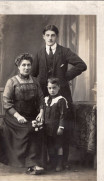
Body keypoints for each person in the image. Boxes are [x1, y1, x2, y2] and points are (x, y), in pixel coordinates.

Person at [31, 24, 87, 168]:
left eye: (53, 35)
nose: (50, 38)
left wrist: (64, 77)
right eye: (47, 35)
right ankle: (50, 160)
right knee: (47, 128)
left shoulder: (64, 51)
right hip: (45, 96)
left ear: (57, 37)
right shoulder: (39, 53)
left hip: (62, 95)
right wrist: (39, 90)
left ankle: (63, 161)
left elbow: (82, 65)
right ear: (43, 37)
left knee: (63, 128)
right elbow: (33, 74)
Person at [0, 53, 45, 175]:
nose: (26, 67)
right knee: (29, 129)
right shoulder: (11, 82)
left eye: (29, 65)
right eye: (23, 65)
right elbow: (6, 103)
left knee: (38, 128)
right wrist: (18, 116)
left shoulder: (35, 81)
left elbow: (41, 99)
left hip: (32, 115)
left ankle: (36, 163)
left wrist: (42, 112)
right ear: (18, 66)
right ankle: (31, 164)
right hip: (14, 116)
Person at [44, 78, 68, 172]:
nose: (52, 90)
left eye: (54, 88)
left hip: (57, 127)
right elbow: (43, 112)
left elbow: (63, 115)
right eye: (49, 88)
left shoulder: (61, 100)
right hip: (47, 127)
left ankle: (59, 163)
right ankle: (52, 162)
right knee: (49, 145)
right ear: (47, 88)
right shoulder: (46, 99)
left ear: (58, 88)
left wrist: (61, 127)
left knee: (58, 145)